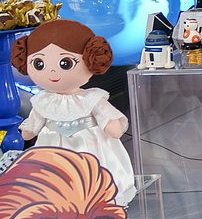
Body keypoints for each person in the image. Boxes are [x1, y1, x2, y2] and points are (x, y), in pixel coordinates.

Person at [13, 17, 136, 203]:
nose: (52, 72)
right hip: (52, 150)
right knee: (53, 183)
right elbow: (31, 127)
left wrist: (111, 125)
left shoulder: (91, 98)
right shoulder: (43, 101)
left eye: (65, 63)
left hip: (89, 149)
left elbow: (109, 122)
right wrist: (29, 130)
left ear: (91, 60)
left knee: (93, 179)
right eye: (39, 64)